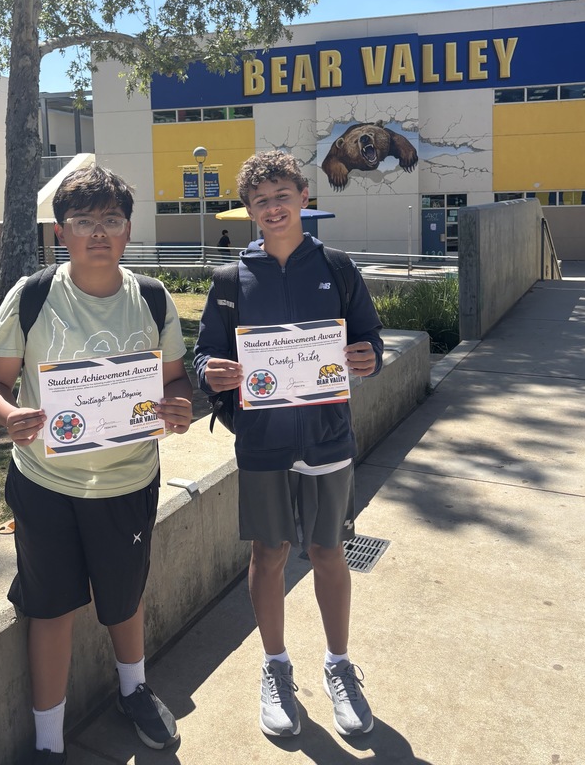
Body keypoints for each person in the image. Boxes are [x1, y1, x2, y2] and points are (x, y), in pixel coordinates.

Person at [0, 166, 192, 764]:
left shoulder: (152, 297)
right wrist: (7, 417)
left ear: (128, 231)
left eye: (111, 221)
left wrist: (178, 408)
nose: (98, 232)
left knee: (124, 598)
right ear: (60, 232)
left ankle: (135, 690)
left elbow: (174, 379)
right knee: (49, 607)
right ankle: (49, 743)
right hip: (45, 484)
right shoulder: (34, 294)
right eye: (84, 222)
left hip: (127, 481)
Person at [193, 151, 383, 740]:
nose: (272, 208)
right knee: (269, 554)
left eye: (282, 195)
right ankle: (275, 667)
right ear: (249, 210)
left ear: (304, 197)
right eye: (260, 200)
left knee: (327, 552)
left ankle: (339, 665)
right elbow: (204, 354)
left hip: (327, 435)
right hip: (264, 440)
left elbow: (368, 341)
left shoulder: (338, 267)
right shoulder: (230, 281)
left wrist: (367, 358)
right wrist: (212, 374)